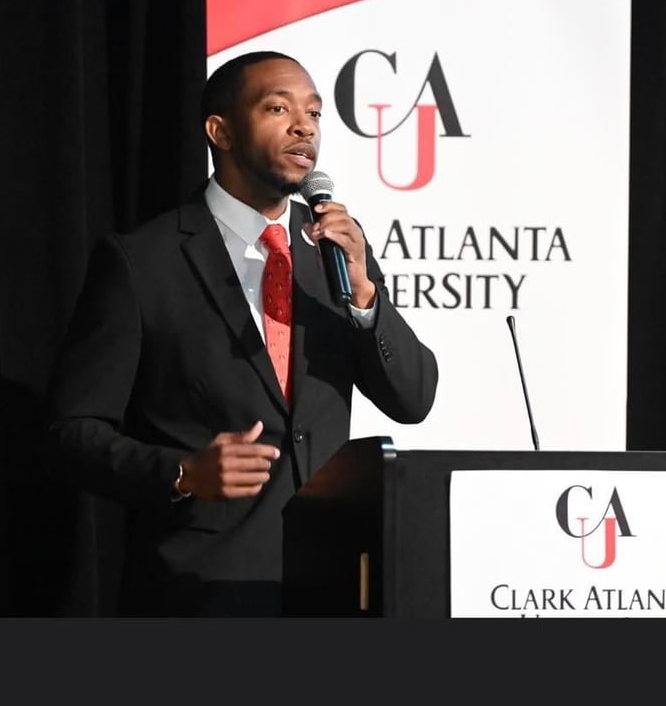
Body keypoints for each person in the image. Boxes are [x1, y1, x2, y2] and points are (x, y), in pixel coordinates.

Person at [44, 50, 439, 616]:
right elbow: (71, 434)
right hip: (203, 593)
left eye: (314, 113)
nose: (304, 126)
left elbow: (413, 399)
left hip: (335, 585)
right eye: (278, 107)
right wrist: (182, 473)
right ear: (220, 131)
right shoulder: (142, 262)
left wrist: (366, 299)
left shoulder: (334, 250)